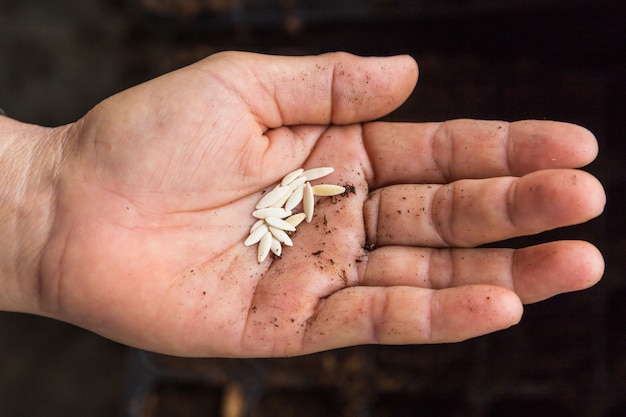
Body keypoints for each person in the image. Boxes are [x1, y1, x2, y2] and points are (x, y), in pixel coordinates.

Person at [0, 51, 605, 358]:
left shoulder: (289, 201)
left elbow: (281, 211)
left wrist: (43, 194)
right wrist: (43, 192)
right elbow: (278, 213)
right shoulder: (281, 206)